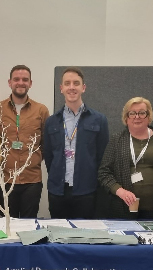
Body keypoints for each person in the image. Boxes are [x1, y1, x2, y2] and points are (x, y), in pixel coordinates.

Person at [42, 67, 109, 219]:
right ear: (61, 88)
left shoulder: (99, 120)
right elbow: (49, 156)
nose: (71, 87)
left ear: (83, 88)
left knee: (85, 238)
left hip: (86, 191)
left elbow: (102, 157)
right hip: (58, 190)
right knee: (58, 238)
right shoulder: (51, 121)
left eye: (76, 83)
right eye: (67, 83)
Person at [0, 65, 50, 218]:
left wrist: (35, 160)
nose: (20, 83)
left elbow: (46, 144)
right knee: (6, 224)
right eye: (16, 79)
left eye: (25, 80)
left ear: (30, 83)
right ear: (10, 82)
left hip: (32, 180)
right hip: (4, 179)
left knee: (28, 226)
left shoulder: (41, 110)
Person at [98, 97, 153, 220]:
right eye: (132, 113)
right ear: (126, 118)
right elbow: (104, 173)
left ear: (149, 116)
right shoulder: (116, 140)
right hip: (123, 208)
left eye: (142, 113)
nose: (137, 117)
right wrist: (120, 191)